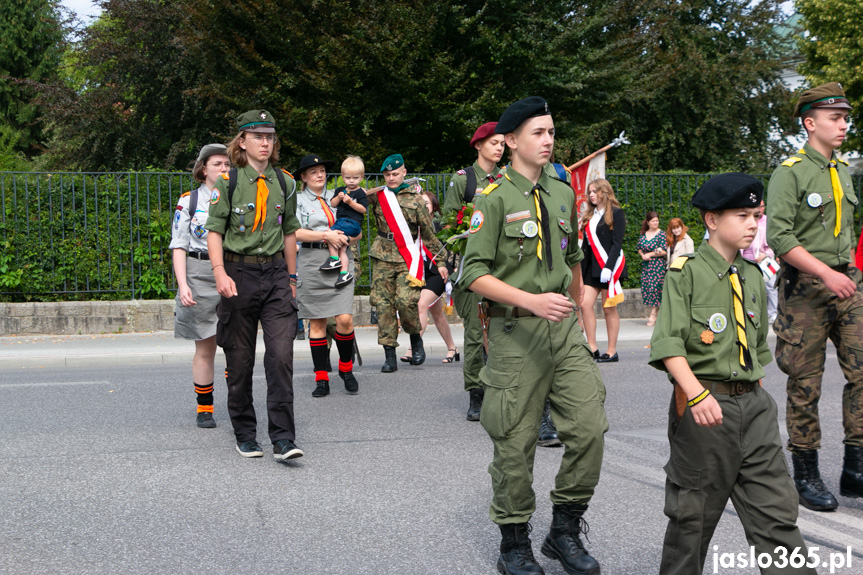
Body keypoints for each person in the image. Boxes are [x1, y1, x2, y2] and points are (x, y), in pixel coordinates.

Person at [460, 96, 607, 575]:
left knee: (589, 430)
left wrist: (581, 307)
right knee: (515, 442)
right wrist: (531, 301)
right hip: (515, 331)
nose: (548, 141)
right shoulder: (493, 197)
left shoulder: (563, 193)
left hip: (562, 331)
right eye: (538, 133)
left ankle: (563, 531)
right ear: (511, 141)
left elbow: (572, 259)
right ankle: (514, 542)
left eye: (551, 132)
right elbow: (473, 274)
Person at [649, 172, 815, 575]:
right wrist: (696, 394)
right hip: (705, 407)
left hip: (752, 410)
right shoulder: (685, 272)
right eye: (742, 216)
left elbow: (757, 346)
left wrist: (754, 394)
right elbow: (668, 343)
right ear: (712, 220)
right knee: (692, 522)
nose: (753, 225)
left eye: (756, 215)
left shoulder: (753, 275)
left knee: (777, 516)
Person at [766, 82, 863, 510]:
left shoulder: (843, 170)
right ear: (810, 123)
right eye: (835, 118)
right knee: (805, 384)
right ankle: (806, 472)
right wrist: (825, 272)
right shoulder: (790, 171)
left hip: (848, 283)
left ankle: (856, 468)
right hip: (806, 288)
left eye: (845, 118)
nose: (844, 124)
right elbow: (779, 236)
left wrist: (848, 275)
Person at [204, 110, 303, 462]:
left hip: (276, 275)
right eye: (258, 136)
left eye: (270, 136)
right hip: (238, 273)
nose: (265, 142)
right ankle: (245, 433)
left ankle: (283, 438)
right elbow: (214, 232)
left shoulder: (285, 182)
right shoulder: (228, 182)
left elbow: (290, 232)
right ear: (242, 142)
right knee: (240, 358)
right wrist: (219, 272)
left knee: (280, 357)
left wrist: (292, 279)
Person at [443, 121, 505, 420]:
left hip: (503, 268)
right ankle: (476, 394)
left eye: (503, 143)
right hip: (471, 267)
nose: (500, 147)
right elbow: (446, 225)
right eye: (494, 142)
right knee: (473, 333)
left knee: (504, 330)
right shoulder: (463, 180)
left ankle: (503, 389)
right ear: (479, 145)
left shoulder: (507, 179)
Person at [367, 153, 448, 373]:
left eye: (395, 174)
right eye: (387, 174)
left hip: (406, 258)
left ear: (404, 173)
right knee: (383, 307)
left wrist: (440, 261)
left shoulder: (415, 199)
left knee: (406, 302)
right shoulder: (377, 196)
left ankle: (415, 339)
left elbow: (429, 233)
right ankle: (389, 355)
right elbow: (351, 204)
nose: (391, 178)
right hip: (382, 255)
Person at [171, 143, 230, 428]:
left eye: (227, 164)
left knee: (235, 344)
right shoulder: (189, 201)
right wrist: (183, 285)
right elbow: (179, 245)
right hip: (198, 272)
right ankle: (204, 408)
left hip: (231, 272)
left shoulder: (238, 199)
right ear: (203, 169)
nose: (223, 169)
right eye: (217, 164)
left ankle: (237, 401)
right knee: (205, 346)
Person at [294, 154, 361, 398]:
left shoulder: (340, 196)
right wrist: (326, 236)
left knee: (344, 319)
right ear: (303, 177)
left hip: (341, 258)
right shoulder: (298, 200)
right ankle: (321, 377)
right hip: (313, 262)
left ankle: (346, 369)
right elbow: (295, 232)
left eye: (322, 170)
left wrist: (347, 238)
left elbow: (357, 226)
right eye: (313, 172)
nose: (320, 175)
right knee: (318, 322)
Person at [400, 190, 459, 364]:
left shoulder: (439, 226)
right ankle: (452, 348)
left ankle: (413, 348)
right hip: (419, 274)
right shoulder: (411, 226)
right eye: (420, 202)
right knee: (438, 315)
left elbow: (451, 247)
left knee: (420, 305)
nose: (424, 206)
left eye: (427, 203)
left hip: (437, 273)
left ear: (433, 206)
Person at [579, 178, 627, 362]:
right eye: (589, 192)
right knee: (585, 304)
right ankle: (592, 347)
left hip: (610, 268)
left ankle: (611, 350)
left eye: (594, 191)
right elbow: (587, 247)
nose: (591, 195)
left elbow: (617, 244)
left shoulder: (616, 213)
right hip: (592, 268)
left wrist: (608, 267)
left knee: (609, 309)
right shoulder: (589, 216)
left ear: (604, 192)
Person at [319, 155, 369, 288]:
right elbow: (333, 203)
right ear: (342, 176)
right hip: (343, 222)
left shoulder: (360, 193)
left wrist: (350, 202)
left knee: (330, 233)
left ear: (362, 177)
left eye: (355, 178)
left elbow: (363, 209)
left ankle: (334, 259)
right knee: (343, 248)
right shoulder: (340, 190)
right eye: (348, 178)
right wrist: (339, 198)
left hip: (352, 223)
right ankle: (344, 273)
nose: (351, 181)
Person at [740, 199, 778, 323]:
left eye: (762, 206)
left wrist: (766, 255)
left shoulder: (768, 221)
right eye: (757, 206)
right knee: (747, 287)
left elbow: (774, 243)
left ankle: (773, 314)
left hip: (765, 260)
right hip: (747, 259)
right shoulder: (747, 220)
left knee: (771, 287)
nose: (760, 209)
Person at [636, 211, 666, 327]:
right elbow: (639, 247)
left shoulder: (661, 234)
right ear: (648, 222)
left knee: (656, 289)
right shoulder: (644, 234)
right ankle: (656, 312)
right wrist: (642, 255)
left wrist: (650, 254)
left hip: (658, 265)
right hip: (647, 266)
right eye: (653, 221)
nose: (656, 223)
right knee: (647, 288)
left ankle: (653, 314)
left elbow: (664, 251)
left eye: (657, 220)